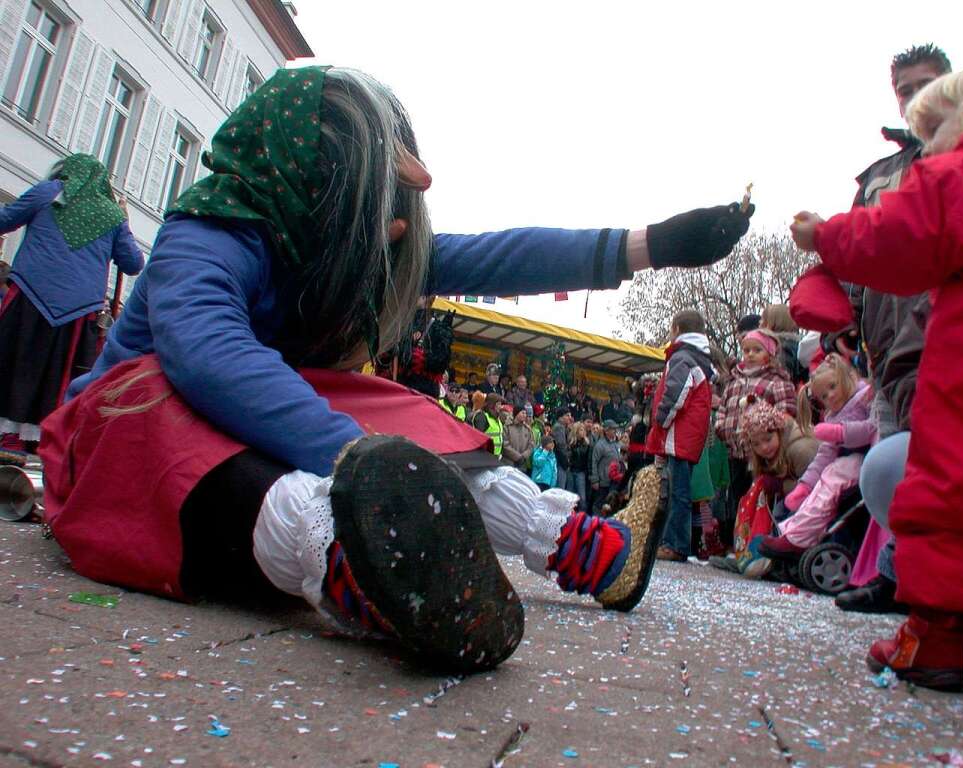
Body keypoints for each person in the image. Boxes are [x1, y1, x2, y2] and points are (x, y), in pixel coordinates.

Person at [41, 66, 753, 675]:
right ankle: (359, 571)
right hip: (128, 452)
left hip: (254, 453)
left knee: (396, 406)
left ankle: (588, 550)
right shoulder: (208, 234)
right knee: (162, 396)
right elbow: (207, 357)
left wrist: (651, 244)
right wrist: (361, 465)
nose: (398, 228)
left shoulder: (360, 248)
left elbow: (502, 256)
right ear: (313, 182)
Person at [790, 64, 963, 692]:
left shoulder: (961, 175)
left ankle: (935, 638)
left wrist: (824, 237)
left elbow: (894, 239)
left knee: (953, 502)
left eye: (936, 127)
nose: (929, 144)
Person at [827, 45, 951, 616]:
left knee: (947, 463)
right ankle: (897, 575)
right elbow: (853, 258)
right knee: (892, 461)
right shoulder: (877, 179)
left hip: (952, 340)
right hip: (887, 350)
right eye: (906, 89)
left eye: (928, 84)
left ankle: (961, 594)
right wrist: (843, 324)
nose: (916, 96)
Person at [0, 154, 143, 453]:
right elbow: (133, 263)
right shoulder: (112, 215)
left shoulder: (49, 192)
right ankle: (39, 439)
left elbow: (5, 220)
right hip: (79, 310)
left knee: (15, 359)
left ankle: (7, 433)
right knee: (58, 374)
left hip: (30, 295)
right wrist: (123, 221)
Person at [758, 355, 874, 558]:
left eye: (832, 386)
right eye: (823, 396)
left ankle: (799, 537)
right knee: (824, 478)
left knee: (833, 476)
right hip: (850, 461)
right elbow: (824, 455)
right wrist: (805, 485)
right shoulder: (833, 416)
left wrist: (840, 433)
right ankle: (791, 531)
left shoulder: (865, 396)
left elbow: (873, 428)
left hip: (868, 457)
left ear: (846, 377)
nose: (830, 396)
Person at [710, 399, 818, 576]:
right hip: (792, 497)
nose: (764, 448)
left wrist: (781, 486)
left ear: (778, 432)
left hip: (811, 502)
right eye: (757, 444)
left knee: (782, 513)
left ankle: (774, 562)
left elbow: (815, 486)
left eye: (768, 440)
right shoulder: (768, 454)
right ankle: (753, 556)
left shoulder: (801, 448)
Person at [643, 310, 714, 562]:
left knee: (676, 492)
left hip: (678, 436)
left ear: (676, 328)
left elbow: (677, 392)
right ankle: (673, 542)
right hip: (688, 437)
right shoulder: (700, 359)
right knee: (679, 491)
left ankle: (674, 544)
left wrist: (661, 419)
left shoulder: (682, 357)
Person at [715, 328, 797, 526]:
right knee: (738, 497)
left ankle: (760, 533)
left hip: (763, 453)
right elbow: (723, 408)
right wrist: (720, 425)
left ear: (769, 354)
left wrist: (768, 427)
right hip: (735, 451)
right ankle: (739, 539)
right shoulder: (734, 381)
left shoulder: (777, 381)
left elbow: (786, 412)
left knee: (761, 496)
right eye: (746, 350)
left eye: (756, 350)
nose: (750, 354)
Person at [760, 304, 805, 385]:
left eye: (763, 320)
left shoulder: (781, 347)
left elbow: (782, 377)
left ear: (772, 322)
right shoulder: (796, 344)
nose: (759, 323)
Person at [590, 420, 622, 515]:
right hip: (603, 481)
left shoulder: (616, 443)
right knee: (599, 504)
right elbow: (594, 462)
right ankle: (595, 523)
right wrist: (595, 480)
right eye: (613, 429)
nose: (615, 431)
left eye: (615, 429)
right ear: (606, 431)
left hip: (614, 481)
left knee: (610, 504)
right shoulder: (600, 445)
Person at [566, 421, 592, 511]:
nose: (583, 432)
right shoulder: (571, 444)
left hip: (581, 472)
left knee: (582, 498)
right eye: (581, 430)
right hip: (571, 471)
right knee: (570, 496)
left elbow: (588, 460)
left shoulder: (587, 444)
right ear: (576, 431)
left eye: (584, 430)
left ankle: (582, 518)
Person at [504, 404, 535, 473]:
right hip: (509, 464)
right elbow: (505, 444)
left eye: (525, 413)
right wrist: (517, 457)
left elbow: (531, 444)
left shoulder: (527, 429)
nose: (525, 415)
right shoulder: (507, 427)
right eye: (522, 413)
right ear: (516, 413)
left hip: (522, 465)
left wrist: (524, 456)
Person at [472, 392, 505, 457]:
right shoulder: (482, 417)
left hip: (497, 456)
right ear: (492, 405)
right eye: (498, 404)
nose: (500, 407)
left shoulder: (497, 418)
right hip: (485, 457)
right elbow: (478, 439)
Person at [551, 407, 572, 489]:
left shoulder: (563, 427)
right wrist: (566, 461)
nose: (570, 417)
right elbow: (561, 446)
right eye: (567, 415)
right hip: (560, 461)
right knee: (560, 488)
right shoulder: (559, 427)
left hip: (561, 461)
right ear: (560, 417)